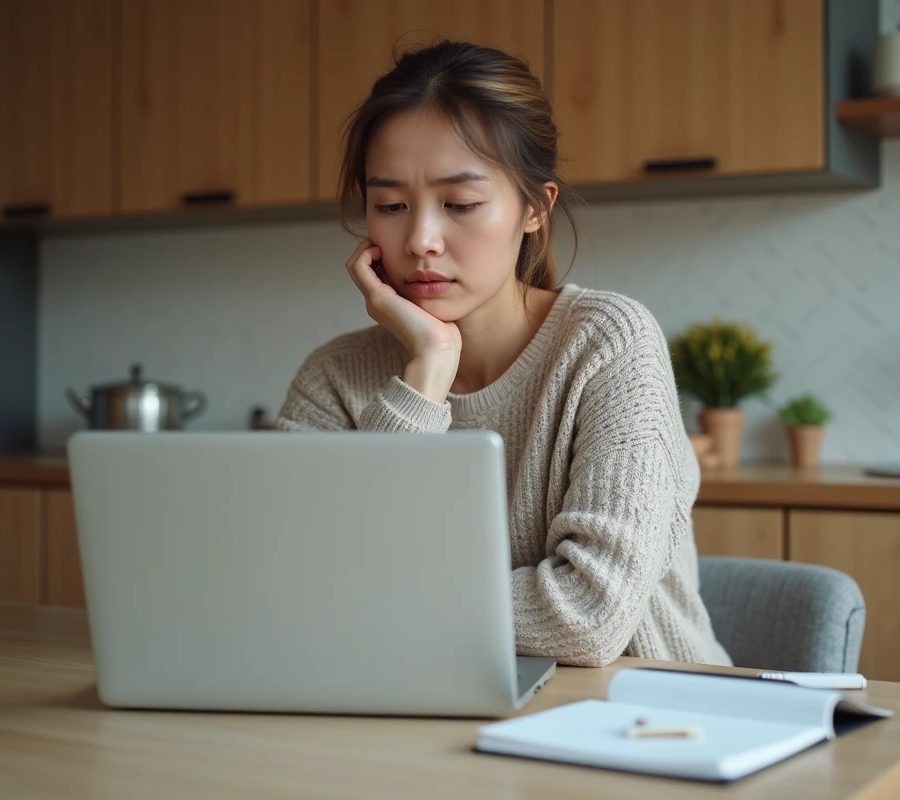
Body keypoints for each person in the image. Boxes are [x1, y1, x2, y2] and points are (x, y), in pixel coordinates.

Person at [277, 40, 731, 668]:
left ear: (535, 210)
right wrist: (425, 373)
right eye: (389, 206)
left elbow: (586, 620)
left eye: (459, 204)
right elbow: (288, 589)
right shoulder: (334, 376)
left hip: (645, 715)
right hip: (411, 700)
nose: (420, 240)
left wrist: (377, 597)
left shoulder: (608, 345)